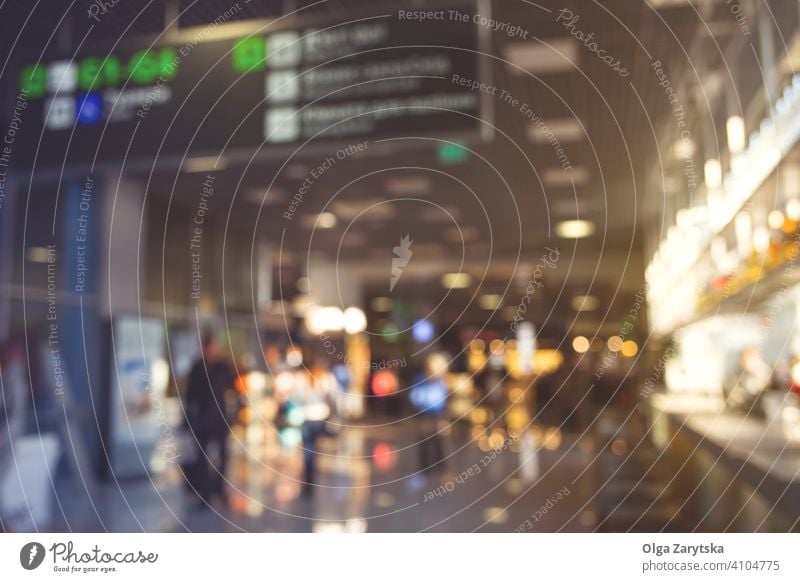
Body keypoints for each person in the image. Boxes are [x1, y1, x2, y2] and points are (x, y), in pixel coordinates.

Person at [184, 334, 235, 507]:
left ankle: (219, 489)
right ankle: (205, 493)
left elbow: (232, 387)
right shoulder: (197, 367)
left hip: (220, 418)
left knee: (223, 456)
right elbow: (190, 397)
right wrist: (189, 419)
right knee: (202, 456)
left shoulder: (222, 366)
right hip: (203, 419)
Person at [295, 355, 338, 496]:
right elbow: (334, 397)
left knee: (308, 449)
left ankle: (308, 477)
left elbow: (297, 397)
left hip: (307, 418)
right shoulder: (326, 378)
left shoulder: (302, 379)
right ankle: (310, 477)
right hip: (320, 418)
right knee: (313, 449)